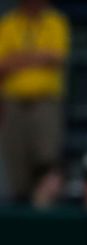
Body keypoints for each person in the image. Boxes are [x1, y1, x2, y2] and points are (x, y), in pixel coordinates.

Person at [0, 0, 69, 203]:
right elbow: (1, 65)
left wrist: (17, 59)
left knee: (47, 168)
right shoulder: (8, 24)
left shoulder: (56, 22)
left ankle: (44, 216)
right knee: (17, 172)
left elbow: (56, 57)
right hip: (13, 104)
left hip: (45, 103)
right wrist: (39, 57)